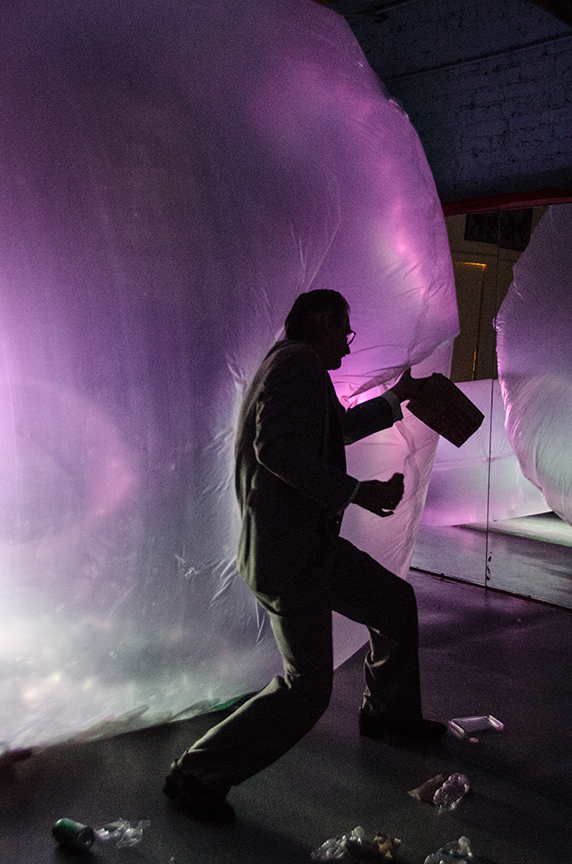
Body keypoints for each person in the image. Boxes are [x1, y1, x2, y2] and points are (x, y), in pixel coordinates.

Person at [164, 289, 446, 823]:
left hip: (308, 547)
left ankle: (388, 712)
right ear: (322, 323)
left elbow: (338, 427)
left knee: (393, 603)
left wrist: (397, 398)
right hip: (289, 556)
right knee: (307, 688)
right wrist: (357, 492)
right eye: (344, 331)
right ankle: (196, 773)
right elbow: (277, 448)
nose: (348, 344)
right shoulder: (296, 363)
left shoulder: (296, 366)